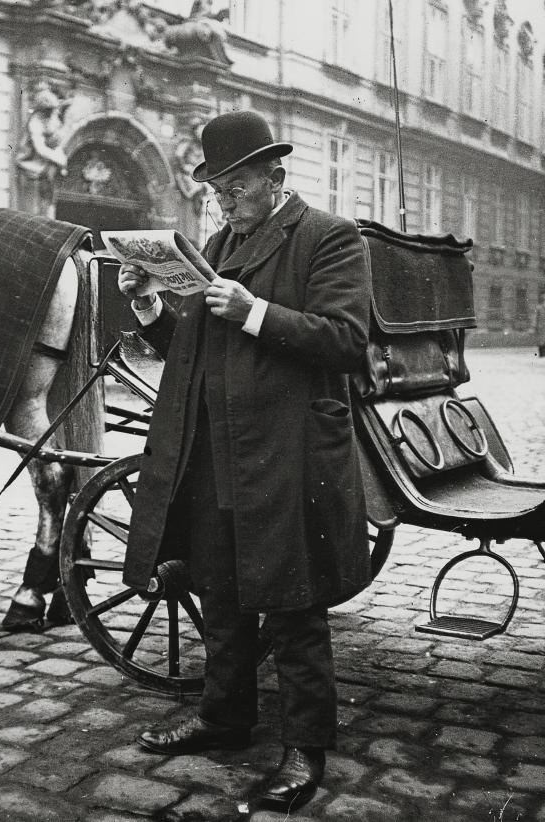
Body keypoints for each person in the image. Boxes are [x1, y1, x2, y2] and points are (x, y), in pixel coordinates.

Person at [117, 110, 371, 813]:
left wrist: (255, 311)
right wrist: (148, 308)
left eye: (234, 186)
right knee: (220, 591)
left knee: (292, 603)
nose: (222, 200)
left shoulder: (327, 237)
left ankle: (305, 746)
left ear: (276, 178)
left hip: (286, 454)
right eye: (214, 189)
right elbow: (196, 350)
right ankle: (223, 717)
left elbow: (348, 341)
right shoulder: (217, 244)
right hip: (217, 455)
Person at [535, 292, 545, 358]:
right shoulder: (538, 307)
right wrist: (535, 326)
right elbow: (536, 317)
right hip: (541, 327)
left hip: (541, 326)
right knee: (541, 341)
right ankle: (542, 354)